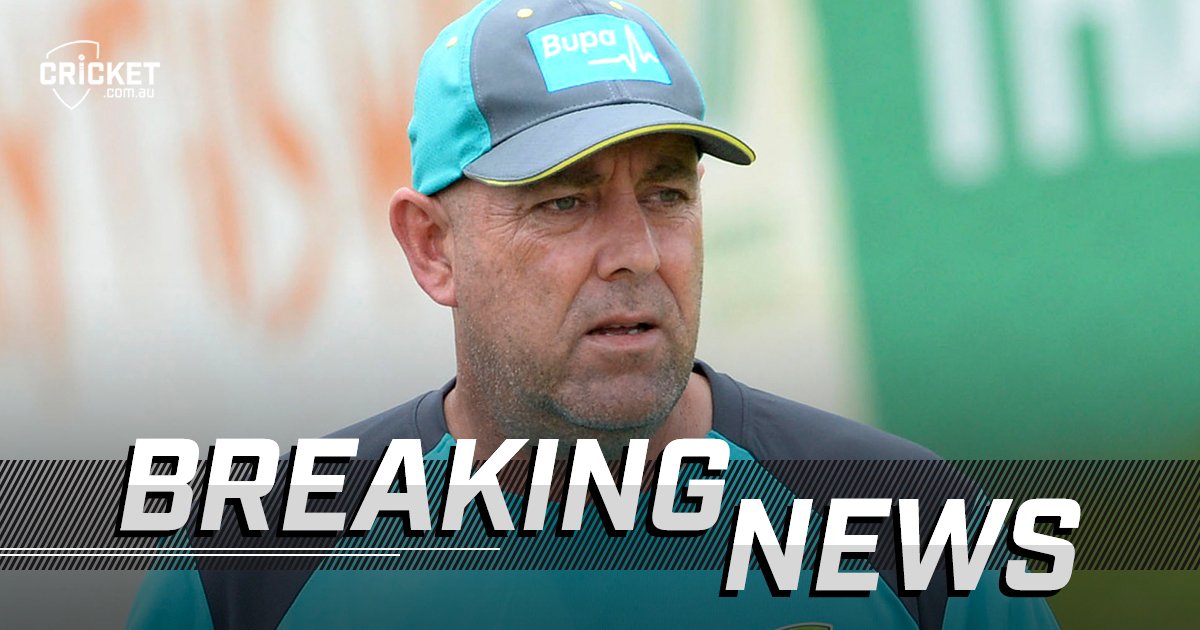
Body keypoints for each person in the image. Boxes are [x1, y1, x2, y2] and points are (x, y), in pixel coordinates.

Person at [129, 1, 1059, 627]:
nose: (637, 253)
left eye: (666, 193)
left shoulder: (916, 534)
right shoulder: (249, 569)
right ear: (432, 247)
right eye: (564, 201)